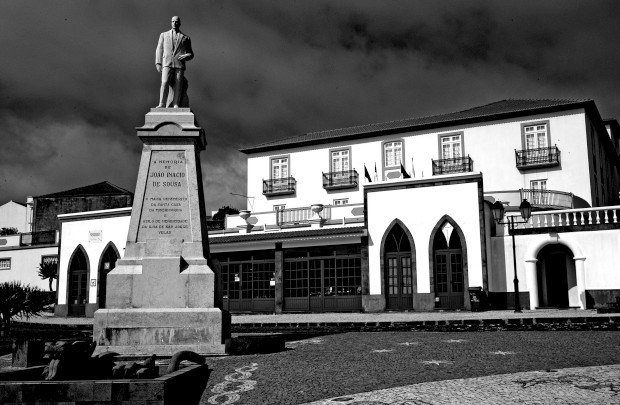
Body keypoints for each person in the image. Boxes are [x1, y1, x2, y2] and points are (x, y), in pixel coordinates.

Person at [155, 16, 194, 108]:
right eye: (173, 21)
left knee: (178, 84)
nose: (174, 23)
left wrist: (187, 55)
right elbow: (159, 49)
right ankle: (162, 103)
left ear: (179, 23)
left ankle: (176, 103)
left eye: (176, 22)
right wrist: (158, 63)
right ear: (171, 22)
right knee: (164, 82)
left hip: (179, 63)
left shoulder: (185, 38)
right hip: (167, 62)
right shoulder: (164, 35)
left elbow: (191, 53)